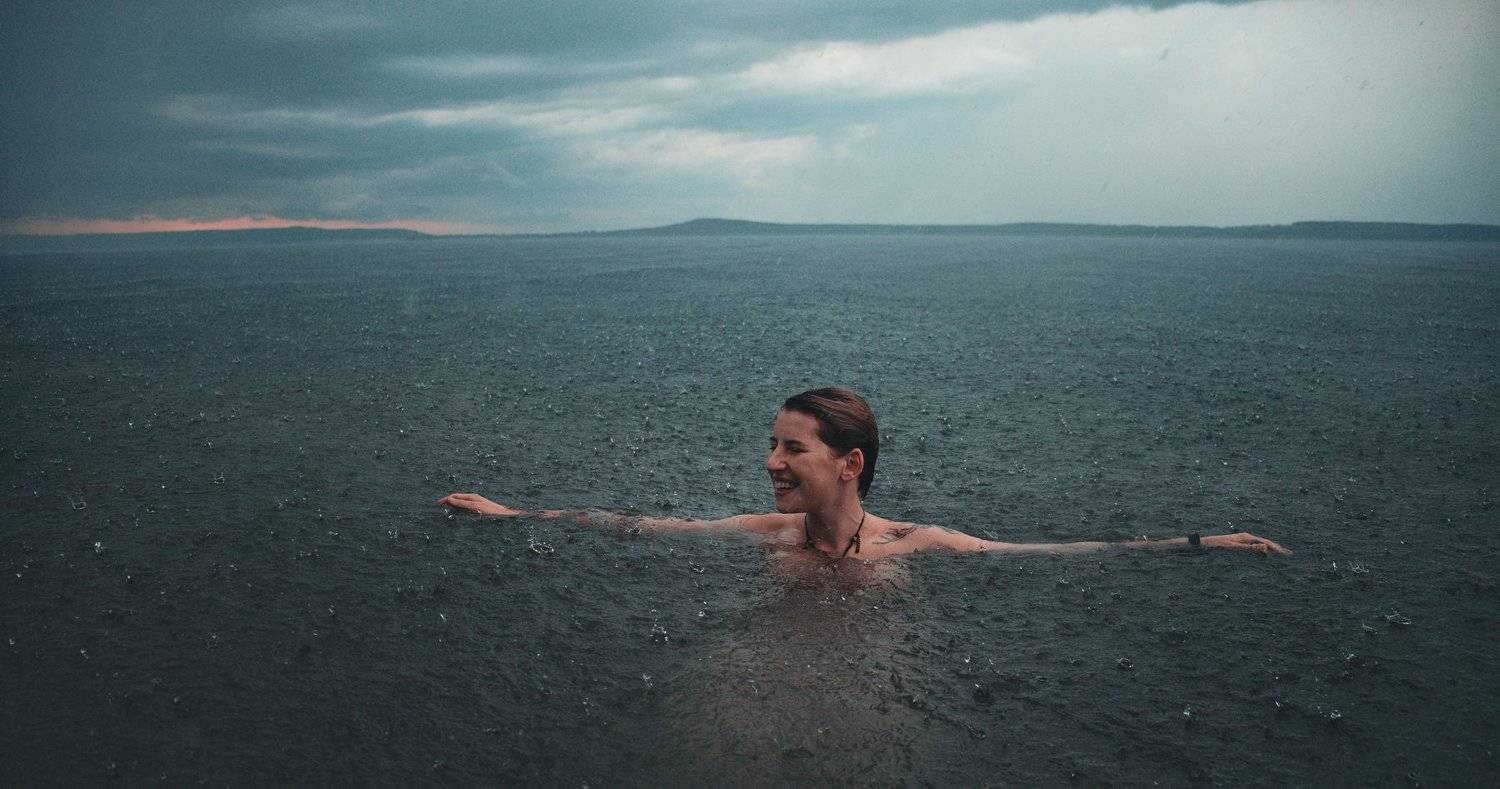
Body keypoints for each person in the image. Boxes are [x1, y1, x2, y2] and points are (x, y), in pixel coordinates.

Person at [438, 387, 1292, 559]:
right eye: (772, 444)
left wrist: (1200, 539)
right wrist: (512, 514)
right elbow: (630, 523)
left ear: (850, 464)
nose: (770, 461)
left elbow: (1053, 549)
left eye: (790, 448)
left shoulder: (917, 543)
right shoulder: (761, 533)